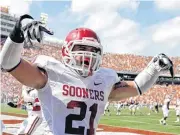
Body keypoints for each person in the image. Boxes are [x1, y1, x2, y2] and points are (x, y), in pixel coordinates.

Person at [0, 14, 174, 135]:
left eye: (93, 50)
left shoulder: (103, 80)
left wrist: (153, 69)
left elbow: (136, 87)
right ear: (66, 50)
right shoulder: (51, 73)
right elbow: (9, 64)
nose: (88, 54)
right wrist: (17, 35)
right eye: (81, 48)